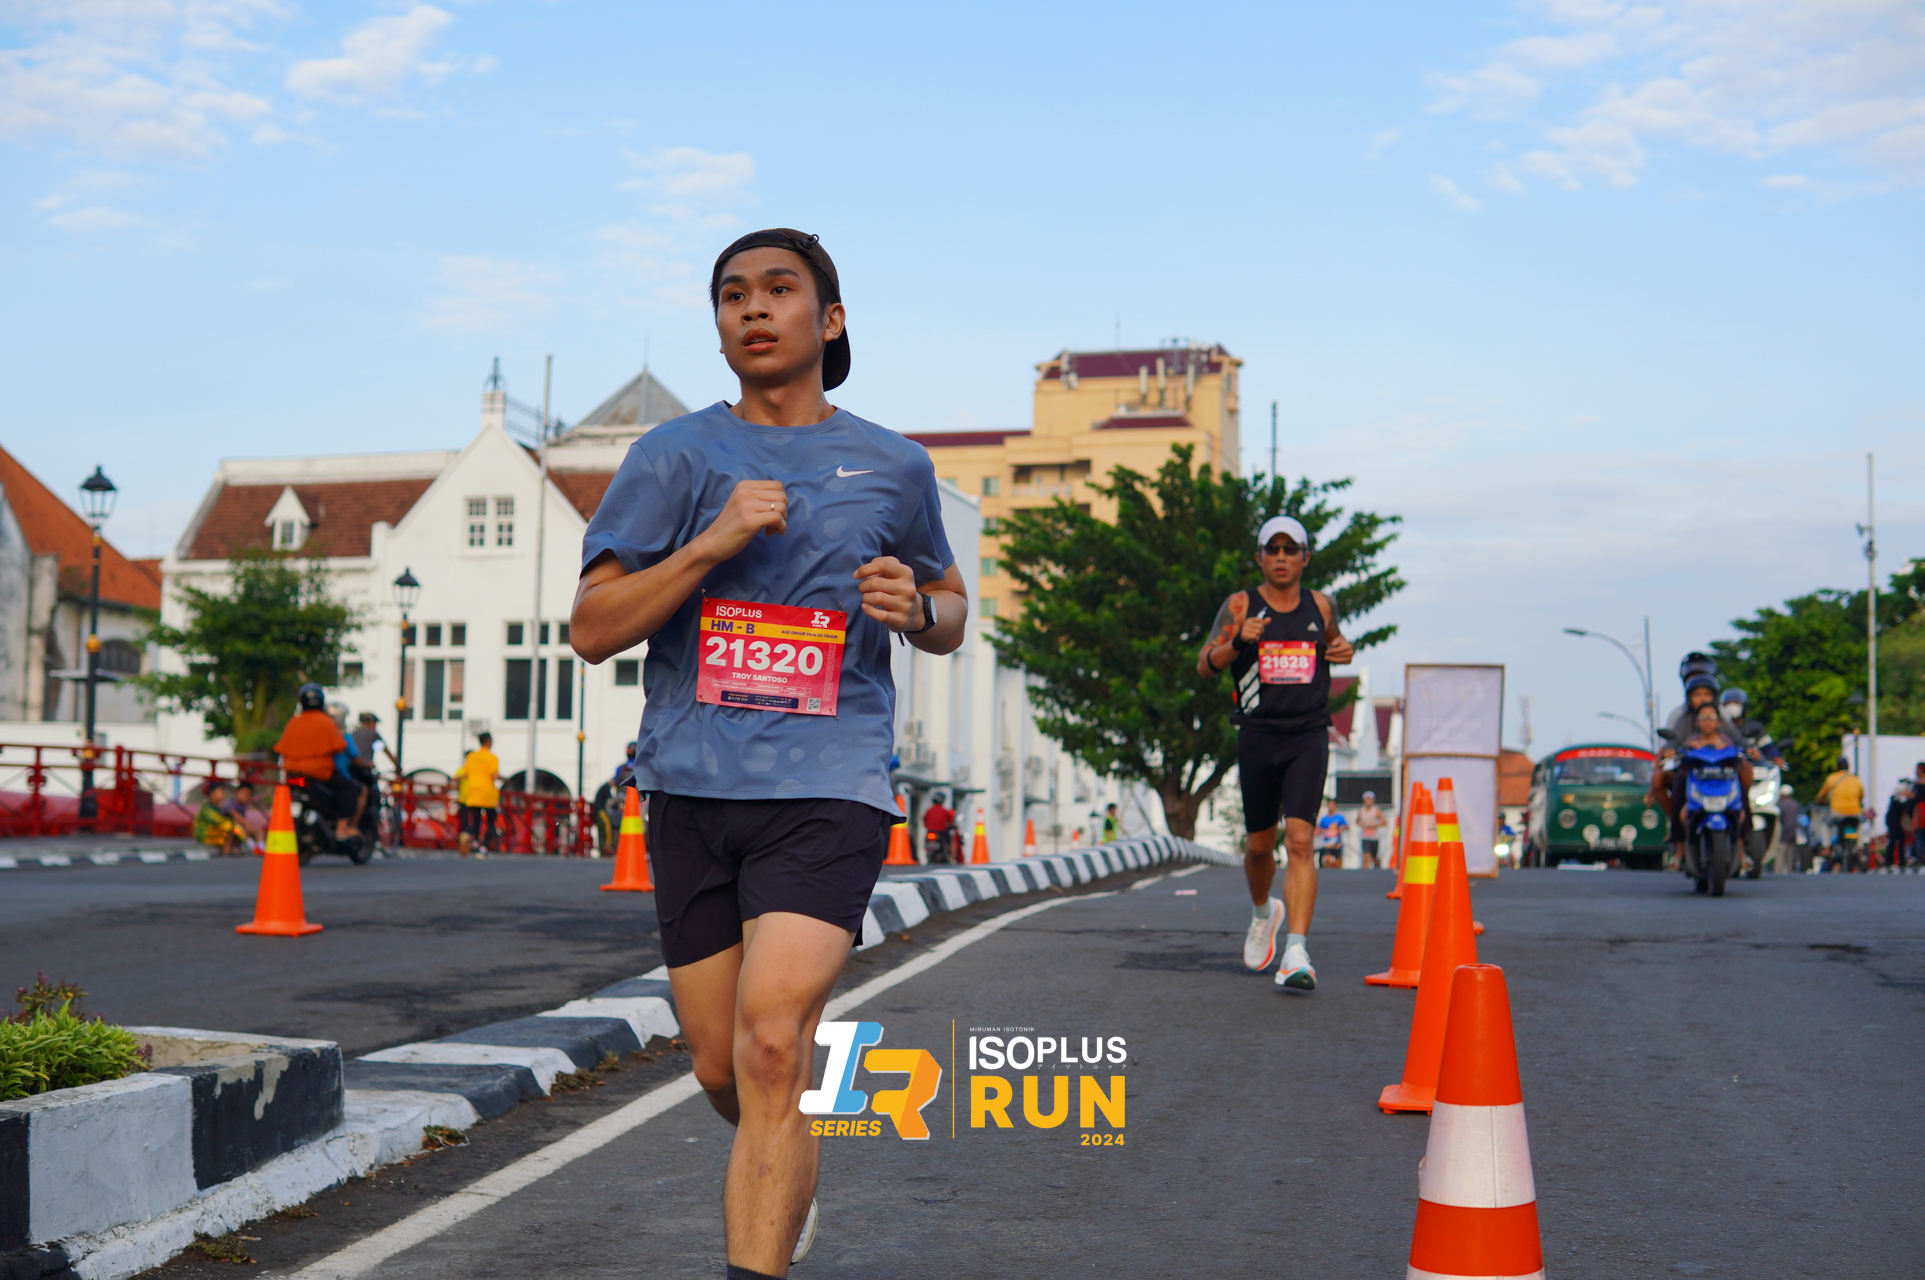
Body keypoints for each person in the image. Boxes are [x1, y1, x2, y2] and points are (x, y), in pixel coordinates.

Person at [569, 227, 964, 1277]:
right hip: (690, 786)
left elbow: (949, 607)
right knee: (722, 1067)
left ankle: (760, 1236)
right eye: (731, 294)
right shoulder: (671, 458)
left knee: (776, 1041)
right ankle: (782, 1171)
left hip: (831, 782)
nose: (751, 307)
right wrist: (711, 542)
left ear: (827, 320)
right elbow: (592, 628)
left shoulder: (895, 465)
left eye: (778, 289)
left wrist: (917, 607)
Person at [1196, 514, 1354, 991]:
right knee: (1260, 847)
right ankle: (1264, 913)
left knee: (1301, 842)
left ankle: (1296, 951)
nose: (1281, 557)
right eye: (1273, 549)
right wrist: (1238, 640)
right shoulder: (1241, 605)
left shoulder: (1320, 604)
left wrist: (1343, 649)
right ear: (1260, 557)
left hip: (1307, 734)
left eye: (1291, 549)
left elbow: (1336, 643)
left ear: (1305, 557)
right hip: (1258, 736)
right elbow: (1206, 665)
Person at [273, 683, 362, 840]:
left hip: (292, 772)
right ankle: (342, 828)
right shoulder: (326, 722)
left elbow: (282, 747)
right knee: (349, 789)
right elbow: (339, 746)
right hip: (319, 772)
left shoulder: (293, 722)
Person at [1815, 756, 1865, 872]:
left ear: (1837, 767)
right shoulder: (1856, 779)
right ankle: (1860, 848)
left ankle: (1826, 848)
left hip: (1837, 812)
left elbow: (1821, 795)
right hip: (1854, 812)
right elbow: (1861, 796)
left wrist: (1820, 800)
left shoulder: (1831, 778)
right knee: (1860, 825)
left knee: (1825, 825)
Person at [455, 733, 501, 857]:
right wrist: (502, 778)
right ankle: (483, 847)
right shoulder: (492, 757)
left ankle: (470, 838)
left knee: (476, 821)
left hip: (473, 792)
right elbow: (494, 775)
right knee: (491, 822)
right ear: (489, 741)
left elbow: (464, 774)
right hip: (487, 793)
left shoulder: (471, 757)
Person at [194, 780, 249, 856]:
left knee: (234, 827)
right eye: (220, 790)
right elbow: (217, 820)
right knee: (230, 826)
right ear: (212, 794)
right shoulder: (207, 808)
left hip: (214, 832)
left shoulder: (219, 808)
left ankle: (236, 847)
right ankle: (227, 850)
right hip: (204, 834)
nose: (223, 793)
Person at [1777, 783, 1805, 874]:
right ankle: (1790, 872)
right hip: (1793, 833)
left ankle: (1778, 872)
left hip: (1783, 834)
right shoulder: (1796, 804)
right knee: (1791, 856)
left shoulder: (1780, 805)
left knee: (1780, 855)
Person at [921, 792, 955, 865]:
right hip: (941, 832)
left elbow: (924, 820)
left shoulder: (929, 810)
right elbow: (951, 821)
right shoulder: (944, 811)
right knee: (949, 840)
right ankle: (951, 856)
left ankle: (928, 852)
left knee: (926, 840)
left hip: (930, 831)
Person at [1356, 791, 1385, 868]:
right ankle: (1366, 872)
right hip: (1365, 837)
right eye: (1367, 800)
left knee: (1374, 857)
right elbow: (1357, 821)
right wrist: (1363, 825)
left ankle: (1377, 867)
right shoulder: (1361, 811)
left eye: (1370, 800)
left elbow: (1384, 822)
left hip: (1374, 837)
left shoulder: (1376, 811)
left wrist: (1374, 825)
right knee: (1366, 856)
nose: (1368, 802)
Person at [1315, 798, 1348, 867]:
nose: (1331, 807)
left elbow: (1346, 827)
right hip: (1326, 843)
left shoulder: (1339, 817)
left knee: (1337, 861)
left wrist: (1340, 829)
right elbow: (1320, 829)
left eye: (1332, 805)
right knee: (1327, 859)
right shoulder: (1324, 819)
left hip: (1336, 842)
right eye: (1329, 805)